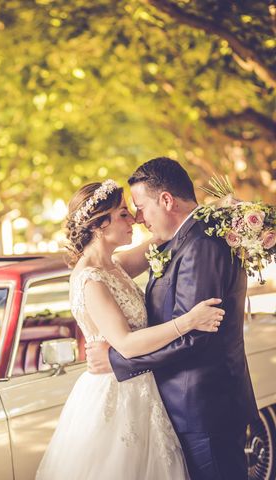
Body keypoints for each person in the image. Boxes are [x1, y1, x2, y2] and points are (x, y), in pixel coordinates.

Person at [36, 176, 224, 479]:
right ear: (99, 225)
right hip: (116, 393)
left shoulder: (115, 266)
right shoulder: (90, 280)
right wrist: (189, 321)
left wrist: (220, 211)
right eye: (124, 213)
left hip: (142, 387)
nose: (134, 220)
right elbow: (126, 344)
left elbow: (165, 234)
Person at [85, 157, 259, 479]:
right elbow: (109, 270)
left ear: (166, 200)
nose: (138, 218)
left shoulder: (201, 245)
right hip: (187, 408)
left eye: (139, 207)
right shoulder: (182, 239)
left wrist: (119, 362)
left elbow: (195, 337)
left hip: (205, 410)